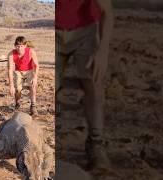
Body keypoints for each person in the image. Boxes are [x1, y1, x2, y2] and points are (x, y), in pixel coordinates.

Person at [55, 0, 114, 170]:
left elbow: (107, 11)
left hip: (86, 31)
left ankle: (96, 144)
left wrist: (102, 52)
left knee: (94, 83)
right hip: (53, 31)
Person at [8, 36, 39, 115]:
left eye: (21, 46)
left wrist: (35, 78)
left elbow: (36, 65)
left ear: (25, 46)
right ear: (15, 46)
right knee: (17, 89)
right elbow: (10, 69)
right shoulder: (11, 54)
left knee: (33, 85)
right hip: (18, 71)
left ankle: (33, 106)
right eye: (18, 46)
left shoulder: (31, 51)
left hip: (30, 70)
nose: (20, 48)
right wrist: (11, 85)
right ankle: (17, 103)